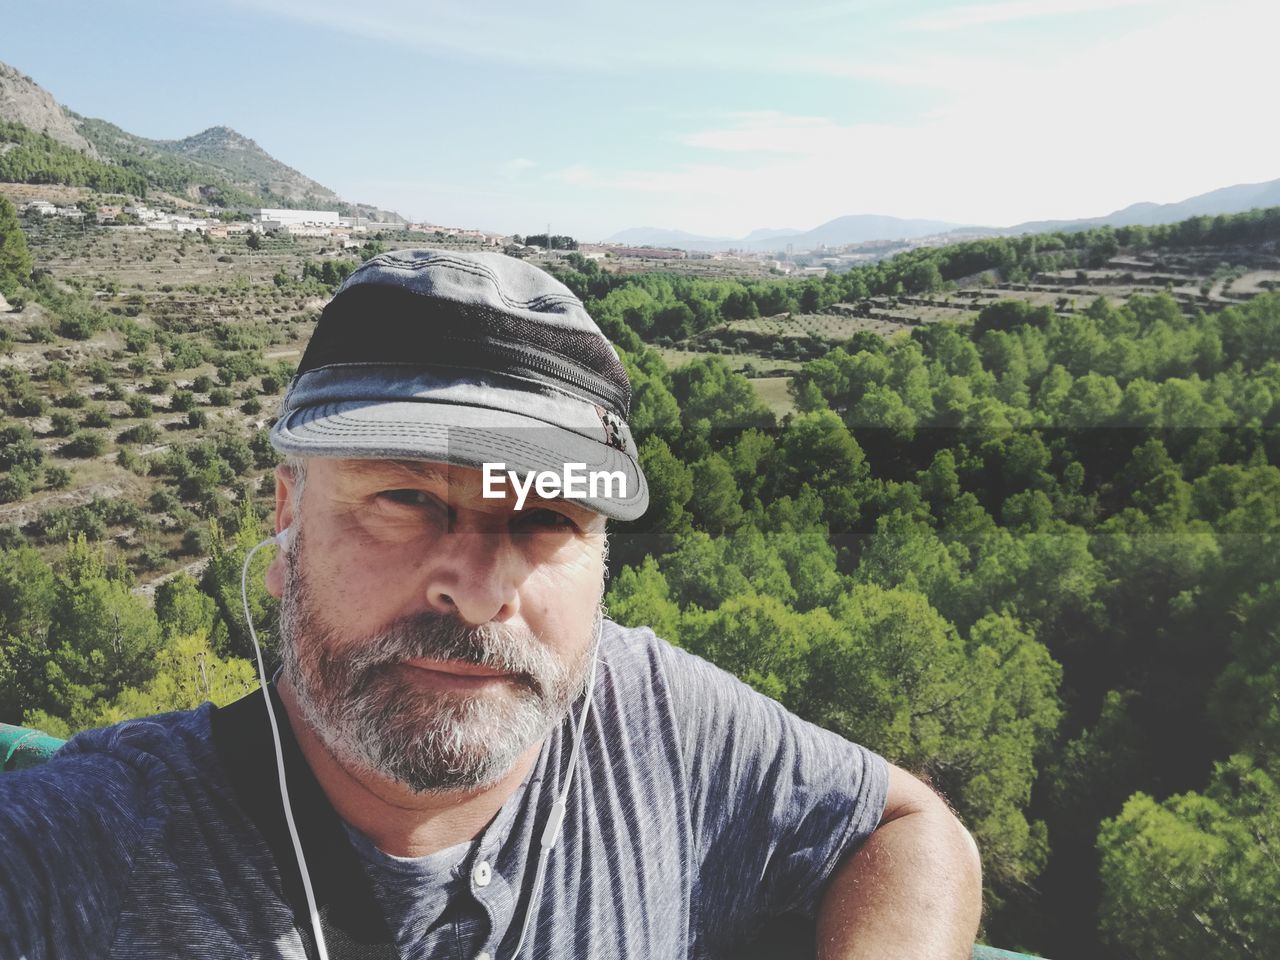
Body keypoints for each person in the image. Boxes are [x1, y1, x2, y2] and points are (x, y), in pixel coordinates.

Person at [0, 249, 982, 959]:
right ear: (287, 517)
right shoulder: (89, 842)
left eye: (545, 515)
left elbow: (908, 830)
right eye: (407, 500)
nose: (473, 589)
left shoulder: (655, 717)